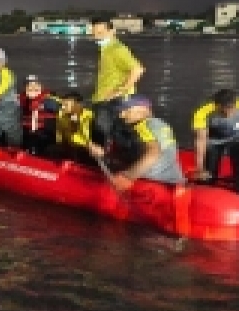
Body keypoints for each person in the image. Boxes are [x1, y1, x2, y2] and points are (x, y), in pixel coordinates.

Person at [89, 96, 185, 192]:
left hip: (154, 186)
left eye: (126, 110)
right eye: (120, 111)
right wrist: (104, 154)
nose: (121, 115)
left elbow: (154, 152)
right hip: (176, 182)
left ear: (142, 108)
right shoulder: (161, 125)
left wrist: (127, 177)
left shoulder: (142, 126)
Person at [89, 17, 145, 151]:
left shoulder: (116, 49)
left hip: (111, 102)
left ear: (112, 31)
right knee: (107, 134)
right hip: (104, 99)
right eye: (94, 33)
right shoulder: (106, 49)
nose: (96, 37)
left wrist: (120, 90)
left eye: (101, 33)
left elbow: (138, 69)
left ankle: (113, 166)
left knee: (104, 135)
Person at [19, 74, 59, 155]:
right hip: (26, 134)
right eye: (29, 85)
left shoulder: (50, 100)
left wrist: (41, 105)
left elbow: (60, 109)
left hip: (43, 136)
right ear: (25, 88)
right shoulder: (21, 100)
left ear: (41, 87)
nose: (32, 88)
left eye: (36, 85)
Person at [53, 91, 96, 161]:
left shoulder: (88, 116)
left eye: (66, 105)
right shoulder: (61, 114)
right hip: (67, 146)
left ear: (77, 105)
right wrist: (59, 143)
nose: (63, 107)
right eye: (62, 105)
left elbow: (84, 136)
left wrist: (76, 118)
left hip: (84, 147)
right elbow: (59, 132)